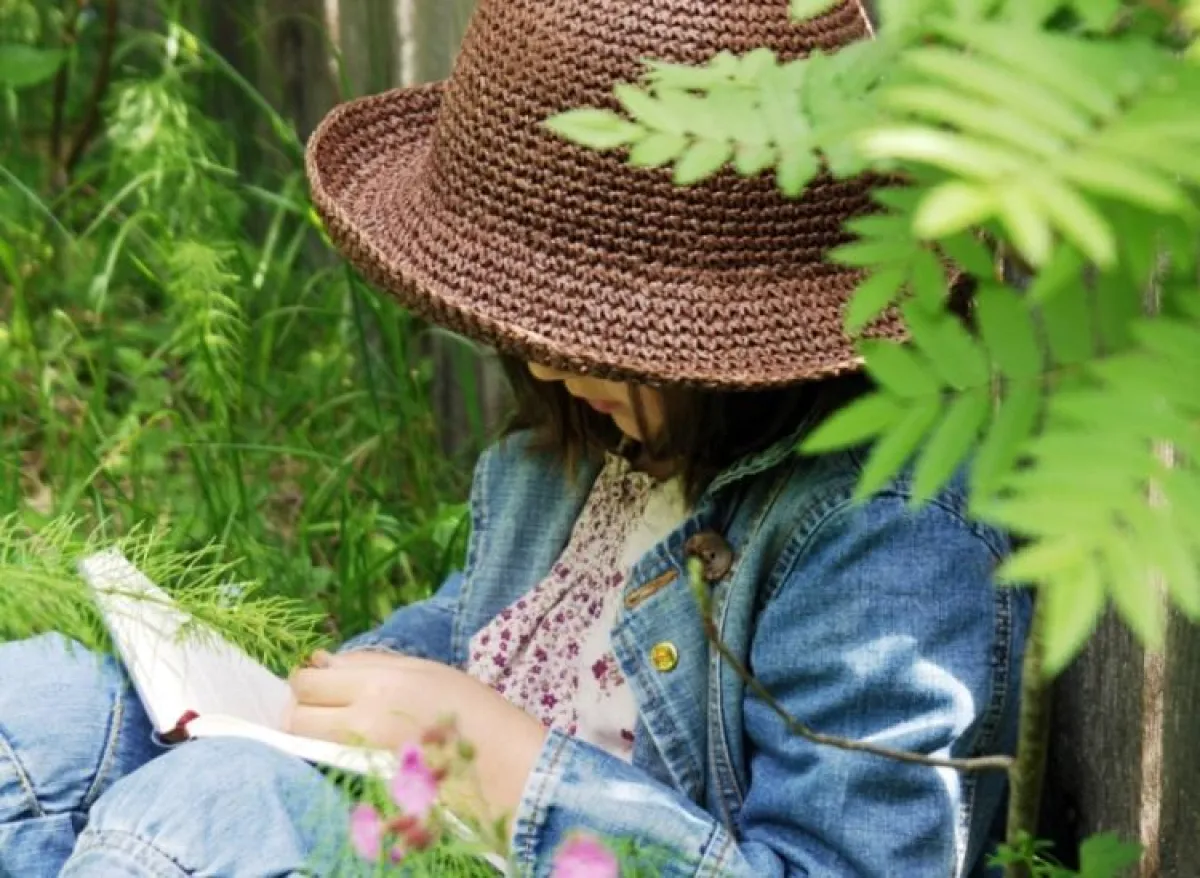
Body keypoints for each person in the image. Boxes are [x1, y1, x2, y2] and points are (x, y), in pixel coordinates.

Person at [0, 0, 1030, 875]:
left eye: (588, 334)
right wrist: (342, 685)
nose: (542, 366)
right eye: (525, 318)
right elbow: (498, 629)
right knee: (42, 709)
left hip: (527, 831)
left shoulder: (881, 533)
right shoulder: (592, 445)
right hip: (435, 816)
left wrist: (509, 770)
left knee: (215, 812)